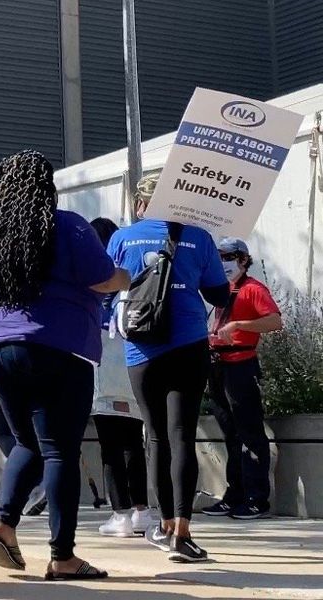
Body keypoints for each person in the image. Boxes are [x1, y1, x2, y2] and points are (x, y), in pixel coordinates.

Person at [0, 150, 129, 581]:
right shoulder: (68, 225)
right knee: (59, 450)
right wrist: (127, 277)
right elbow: (102, 278)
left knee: (27, 442)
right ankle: (63, 556)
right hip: (56, 346)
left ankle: (4, 523)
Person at [107, 172, 230, 563]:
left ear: (140, 203)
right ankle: (182, 532)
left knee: (155, 436)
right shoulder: (198, 236)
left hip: (141, 349)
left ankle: (159, 526)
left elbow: (107, 285)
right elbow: (219, 293)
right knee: (182, 437)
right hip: (188, 344)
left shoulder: (123, 238)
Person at [202, 237, 281, 521]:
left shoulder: (253, 289)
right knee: (230, 433)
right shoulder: (218, 291)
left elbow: (275, 321)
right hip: (217, 364)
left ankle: (257, 498)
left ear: (244, 260)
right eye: (219, 256)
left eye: (229, 256)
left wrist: (239, 325)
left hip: (241, 363)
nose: (223, 262)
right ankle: (235, 494)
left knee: (249, 432)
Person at [87, 218, 155, 539]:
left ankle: (120, 515)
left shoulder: (93, 281)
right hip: (132, 366)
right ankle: (143, 511)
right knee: (133, 444)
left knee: (110, 446)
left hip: (103, 372)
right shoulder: (130, 276)